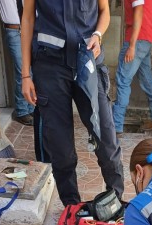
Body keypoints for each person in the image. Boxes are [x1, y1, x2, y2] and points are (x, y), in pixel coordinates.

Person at [19, 0, 125, 207]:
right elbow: (28, 18)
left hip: (88, 62)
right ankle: (71, 209)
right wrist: (25, 75)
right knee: (61, 147)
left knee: (106, 139)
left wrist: (98, 35)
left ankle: (116, 206)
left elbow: (104, 11)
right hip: (50, 67)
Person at [111, 0, 152, 136]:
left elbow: (139, 12)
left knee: (123, 80)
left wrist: (132, 46)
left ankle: (115, 126)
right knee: (147, 80)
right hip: (145, 38)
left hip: (137, 40)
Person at [0, 0, 35, 126]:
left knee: (32, 69)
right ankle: (22, 111)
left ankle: (31, 108)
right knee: (22, 70)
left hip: (31, 29)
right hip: (14, 31)